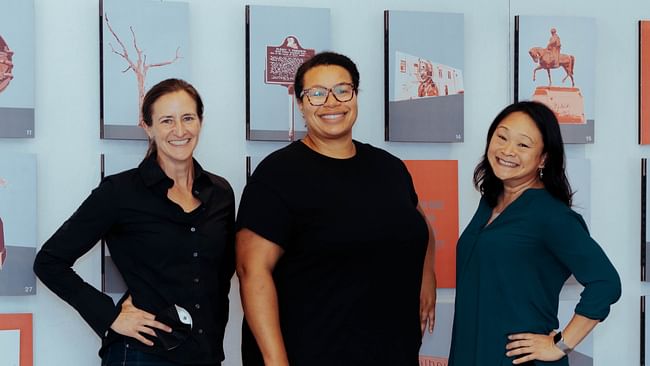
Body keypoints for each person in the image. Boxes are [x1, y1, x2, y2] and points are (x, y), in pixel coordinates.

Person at [236, 51, 436, 366]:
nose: (331, 102)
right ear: (300, 104)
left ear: (355, 96)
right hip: (313, 351)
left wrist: (427, 278)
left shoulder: (389, 168)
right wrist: (275, 361)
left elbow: (418, 226)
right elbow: (252, 271)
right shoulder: (278, 175)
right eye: (316, 94)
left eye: (342, 90)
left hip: (392, 350)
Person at [33, 78, 235, 366]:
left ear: (200, 121)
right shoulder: (120, 192)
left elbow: (220, 278)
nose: (180, 130)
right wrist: (110, 316)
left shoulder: (221, 193)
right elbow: (49, 262)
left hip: (205, 354)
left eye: (188, 118)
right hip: (142, 354)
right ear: (148, 127)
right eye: (166, 120)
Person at [448, 101, 621, 366]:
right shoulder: (489, 202)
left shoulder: (551, 214)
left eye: (523, 145)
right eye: (502, 137)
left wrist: (560, 344)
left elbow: (606, 282)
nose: (507, 150)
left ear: (543, 158)